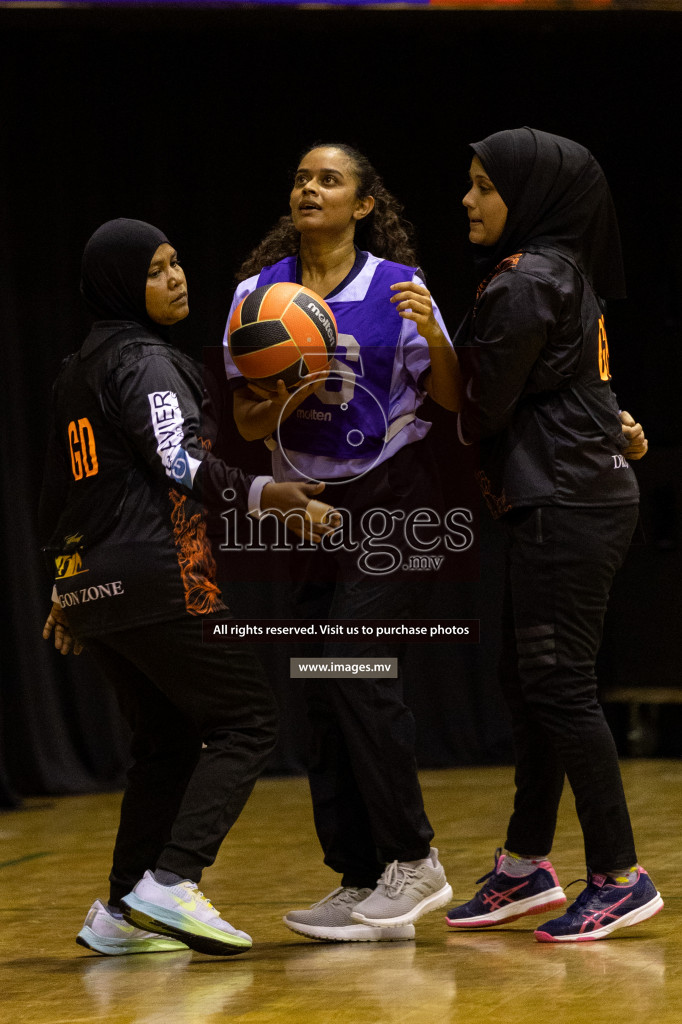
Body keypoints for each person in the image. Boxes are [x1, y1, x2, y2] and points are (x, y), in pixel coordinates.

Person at [40, 218, 331, 957]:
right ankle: (172, 884)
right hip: (158, 576)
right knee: (247, 721)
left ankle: (119, 911)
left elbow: (58, 498)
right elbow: (179, 463)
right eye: (156, 270)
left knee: (165, 740)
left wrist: (65, 586)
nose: (176, 278)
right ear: (120, 284)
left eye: (176, 263)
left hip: (91, 583)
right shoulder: (144, 360)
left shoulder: (77, 368)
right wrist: (271, 494)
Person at [222, 143, 460, 942]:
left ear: (363, 204)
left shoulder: (400, 287)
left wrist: (439, 334)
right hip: (308, 505)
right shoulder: (258, 296)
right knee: (321, 690)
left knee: (355, 663)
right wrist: (288, 386)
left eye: (329, 179)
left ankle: (415, 860)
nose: (309, 187)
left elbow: (452, 398)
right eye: (300, 177)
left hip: (391, 497)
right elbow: (248, 422)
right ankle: (362, 878)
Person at [445, 128, 662, 942]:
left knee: (560, 687)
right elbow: (571, 391)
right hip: (570, 498)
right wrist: (620, 428)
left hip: (567, 505)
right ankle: (526, 864)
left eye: (483, 186)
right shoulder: (558, 274)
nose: (468, 201)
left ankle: (620, 875)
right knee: (529, 684)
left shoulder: (527, 280)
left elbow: (479, 411)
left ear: (529, 196)